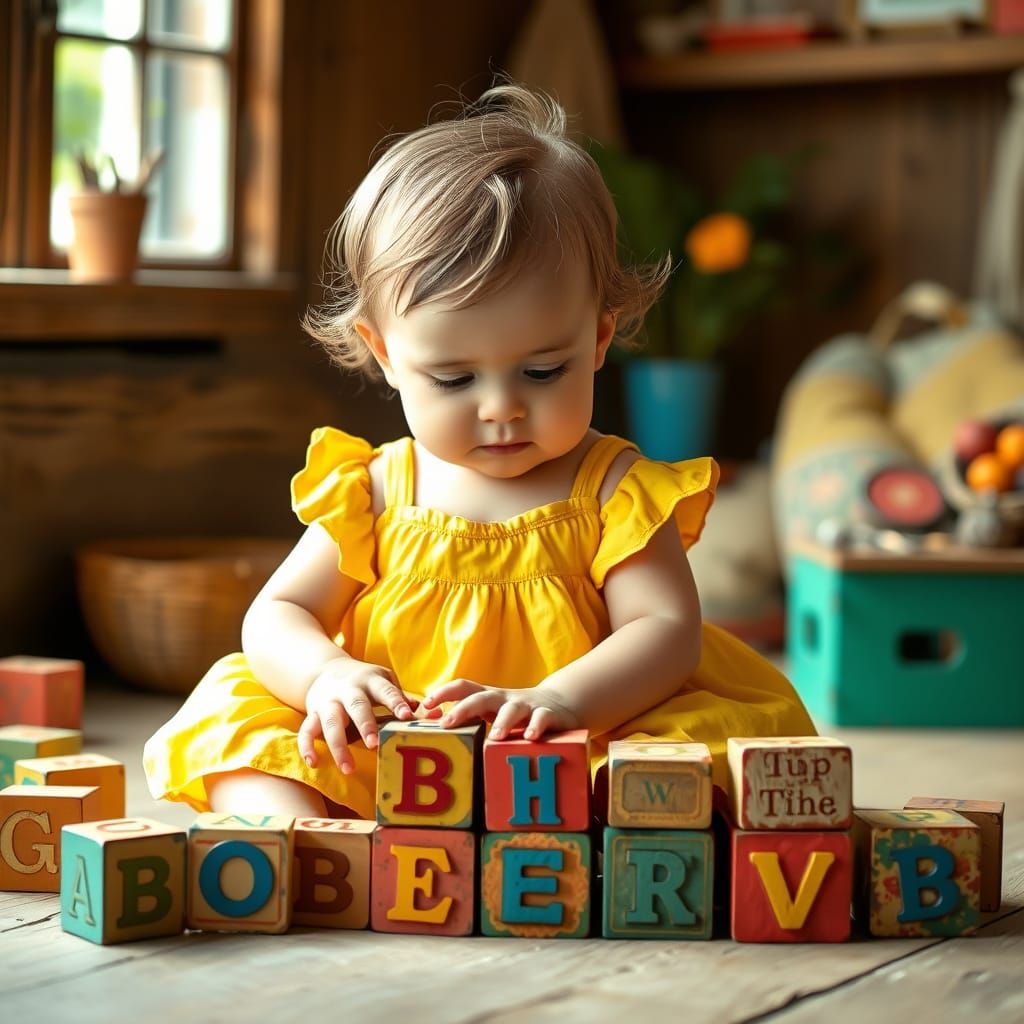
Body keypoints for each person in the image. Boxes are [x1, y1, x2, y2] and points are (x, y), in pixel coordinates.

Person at [143, 82, 814, 820]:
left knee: (691, 764)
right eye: (455, 377)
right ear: (385, 354)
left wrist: (561, 699)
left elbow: (664, 632)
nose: (502, 407)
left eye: (541, 370)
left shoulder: (615, 489)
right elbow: (278, 614)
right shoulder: (374, 489)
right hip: (400, 743)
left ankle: (571, 834)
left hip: (576, 733)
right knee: (243, 719)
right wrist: (327, 675)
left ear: (597, 338)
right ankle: (312, 836)